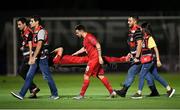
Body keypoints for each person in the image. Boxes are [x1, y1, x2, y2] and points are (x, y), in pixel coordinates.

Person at [11, 15, 59, 100]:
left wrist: (33, 57)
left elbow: (40, 45)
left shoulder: (41, 31)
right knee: (29, 75)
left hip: (42, 58)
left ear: (37, 22)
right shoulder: (35, 32)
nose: (30, 23)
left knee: (47, 76)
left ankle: (55, 94)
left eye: (32, 21)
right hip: (37, 57)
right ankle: (21, 94)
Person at [64, 24, 117, 100]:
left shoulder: (89, 37)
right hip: (94, 59)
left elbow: (98, 45)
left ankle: (81, 95)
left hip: (94, 59)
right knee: (100, 75)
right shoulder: (85, 39)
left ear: (81, 31)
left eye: (77, 32)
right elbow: (84, 48)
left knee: (86, 76)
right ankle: (112, 92)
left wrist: (99, 57)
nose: (76, 34)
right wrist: (76, 53)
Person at [115, 16, 159, 97]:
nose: (128, 22)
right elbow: (133, 45)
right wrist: (131, 53)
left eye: (130, 21)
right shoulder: (131, 31)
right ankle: (155, 91)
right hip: (139, 56)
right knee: (145, 74)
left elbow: (139, 44)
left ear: (135, 21)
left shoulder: (137, 30)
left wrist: (137, 57)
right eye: (128, 20)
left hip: (141, 57)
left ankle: (124, 91)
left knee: (131, 71)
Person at [131, 22, 175, 99]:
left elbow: (155, 49)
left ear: (144, 29)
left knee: (141, 75)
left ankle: (139, 93)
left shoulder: (149, 38)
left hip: (149, 61)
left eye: (141, 28)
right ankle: (169, 89)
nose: (140, 29)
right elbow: (143, 50)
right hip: (147, 60)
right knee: (156, 76)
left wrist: (158, 60)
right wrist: (138, 58)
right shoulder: (144, 38)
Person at [16, 17, 40, 98]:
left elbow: (31, 45)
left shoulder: (29, 32)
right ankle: (33, 91)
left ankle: (33, 88)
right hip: (27, 55)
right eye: (17, 25)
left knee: (22, 71)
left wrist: (31, 57)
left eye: (19, 24)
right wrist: (23, 46)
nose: (18, 26)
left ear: (24, 24)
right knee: (26, 73)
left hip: (29, 55)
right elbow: (26, 43)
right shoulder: (23, 32)